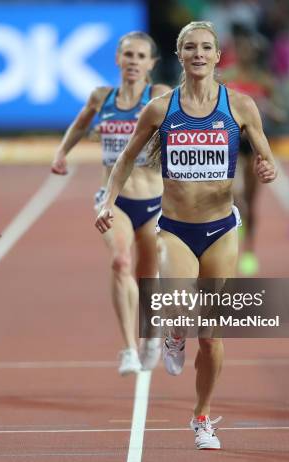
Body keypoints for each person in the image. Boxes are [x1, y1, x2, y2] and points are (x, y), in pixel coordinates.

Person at [95, 22, 277, 449]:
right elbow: (124, 159)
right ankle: (175, 331)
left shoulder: (241, 106)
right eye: (190, 47)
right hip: (175, 227)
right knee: (178, 308)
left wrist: (266, 168)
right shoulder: (160, 109)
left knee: (211, 338)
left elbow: (265, 156)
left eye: (206, 47)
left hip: (222, 230)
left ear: (217, 57)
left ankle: (202, 416)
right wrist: (108, 202)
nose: (198, 54)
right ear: (180, 56)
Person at [51, 32, 171, 375]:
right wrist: (62, 153)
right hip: (113, 200)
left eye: (140, 56)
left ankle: (150, 333)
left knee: (149, 274)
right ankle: (129, 349)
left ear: (151, 63)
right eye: (128, 55)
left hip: (154, 202)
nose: (133, 61)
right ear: (118, 59)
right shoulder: (101, 97)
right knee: (120, 262)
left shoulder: (158, 95)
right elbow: (79, 124)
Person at [221, 23, 286, 275]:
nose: (245, 53)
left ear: (256, 53)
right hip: (231, 144)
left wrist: (268, 108)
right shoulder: (227, 78)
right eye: (242, 49)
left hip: (255, 147)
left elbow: (281, 115)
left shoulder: (265, 81)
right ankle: (233, 244)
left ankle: (248, 250)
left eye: (249, 50)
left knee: (250, 201)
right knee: (236, 195)